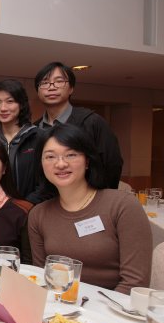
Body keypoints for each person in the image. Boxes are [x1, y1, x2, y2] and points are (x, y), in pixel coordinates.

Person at [28, 124, 151, 294]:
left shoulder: (123, 205)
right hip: (59, 307)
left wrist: (93, 309)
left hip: (114, 306)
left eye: (71, 155)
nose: (61, 164)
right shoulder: (38, 215)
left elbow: (135, 283)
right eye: (50, 157)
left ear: (87, 161)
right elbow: (42, 277)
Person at [34, 61, 123, 189]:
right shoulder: (35, 129)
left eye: (59, 81)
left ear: (71, 88)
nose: (51, 87)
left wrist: (99, 197)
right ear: (38, 91)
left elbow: (112, 164)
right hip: (47, 198)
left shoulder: (91, 122)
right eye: (45, 83)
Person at [0, 79, 43, 203]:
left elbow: (46, 184)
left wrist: (24, 206)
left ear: (21, 104)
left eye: (10, 101)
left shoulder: (39, 137)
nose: (3, 108)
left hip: (31, 208)